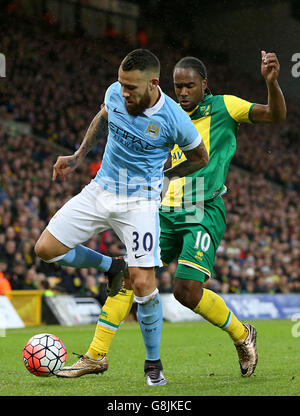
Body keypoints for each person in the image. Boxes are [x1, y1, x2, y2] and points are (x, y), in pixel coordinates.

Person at [60, 50, 286, 380]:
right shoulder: (165, 112)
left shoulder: (226, 106)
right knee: (129, 275)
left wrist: (272, 83)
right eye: (178, 86)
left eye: (189, 86)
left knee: (185, 291)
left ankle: (242, 334)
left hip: (202, 206)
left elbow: (274, 116)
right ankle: (95, 355)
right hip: (162, 207)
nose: (182, 92)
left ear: (203, 84)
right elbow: (110, 116)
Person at [34, 48, 208, 385]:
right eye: (120, 84)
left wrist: (168, 175)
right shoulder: (115, 92)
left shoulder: (174, 118)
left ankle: (153, 364)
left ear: (153, 83)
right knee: (45, 249)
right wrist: (79, 154)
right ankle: (111, 266)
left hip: (139, 202)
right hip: (101, 189)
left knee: (143, 283)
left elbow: (200, 157)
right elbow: (104, 115)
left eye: (131, 87)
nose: (123, 92)